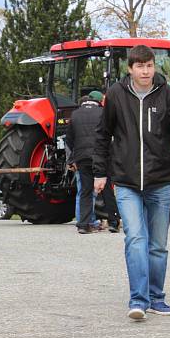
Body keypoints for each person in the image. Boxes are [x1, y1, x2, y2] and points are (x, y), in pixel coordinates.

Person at [93, 45, 170, 321]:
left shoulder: (169, 96)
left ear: (154, 66)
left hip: (160, 181)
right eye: (140, 66)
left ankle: (156, 298)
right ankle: (138, 300)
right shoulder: (115, 95)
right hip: (126, 182)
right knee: (136, 239)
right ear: (130, 69)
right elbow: (103, 135)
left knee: (158, 245)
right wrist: (99, 172)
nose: (145, 71)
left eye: (149, 66)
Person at [66, 92, 104, 234]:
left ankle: (83, 224)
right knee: (105, 190)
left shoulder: (75, 115)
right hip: (99, 157)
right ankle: (113, 220)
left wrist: (71, 160)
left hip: (82, 158)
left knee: (85, 191)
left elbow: (68, 140)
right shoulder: (102, 113)